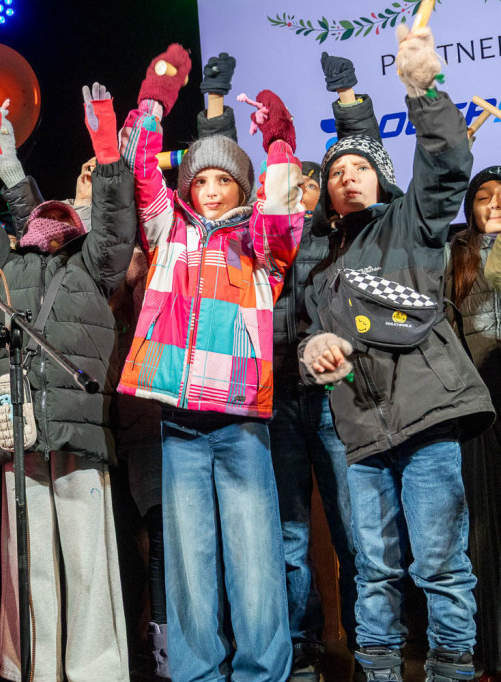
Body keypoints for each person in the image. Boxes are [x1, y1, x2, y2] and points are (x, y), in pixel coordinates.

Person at [298, 25, 494, 682]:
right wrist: (316, 348)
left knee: (440, 568)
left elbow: (445, 164)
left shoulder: (408, 225)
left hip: (428, 419)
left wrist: (423, 88)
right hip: (360, 438)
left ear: (380, 179)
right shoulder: (322, 268)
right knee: (374, 574)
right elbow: (309, 341)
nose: (345, 178)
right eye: (334, 172)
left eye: (358, 168)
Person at [118, 45, 305, 682]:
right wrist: (152, 104)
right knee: (190, 560)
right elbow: (142, 168)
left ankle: (260, 673)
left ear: (240, 187)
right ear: (189, 187)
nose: (213, 188)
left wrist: (280, 145)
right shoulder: (167, 231)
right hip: (180, 422)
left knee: (254, 558)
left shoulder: (261, 243)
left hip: (240, 418)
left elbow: (282, 212)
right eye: (202, 178)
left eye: (225, 178)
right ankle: (196, 672)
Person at [0, 81, 135, 682]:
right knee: (25, 565)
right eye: (42, 214)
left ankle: (96, 672)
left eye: (63, 217)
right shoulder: (6, 269)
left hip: (80, 439)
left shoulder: (93, 266)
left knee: (87, 562)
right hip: (19, 433)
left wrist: (106, 150)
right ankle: (27, 667)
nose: (51, 222)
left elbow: (114, 229)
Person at [272, 51, 385, 681]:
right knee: (292, 533)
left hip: (333, 396)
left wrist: (346, 97)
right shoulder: (265, 238)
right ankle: (305, 645)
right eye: (298, 183)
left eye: (315, 183)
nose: (307, 191)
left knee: (352, 527)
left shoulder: (335, 236)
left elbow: (358, 154)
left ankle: (373, 645)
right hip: (278, 398)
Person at [446, 167, 501, 681]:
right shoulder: (457, 253)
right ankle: (490, 654)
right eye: (483, 196)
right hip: (480, 406)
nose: (494, 203)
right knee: (483, 531)